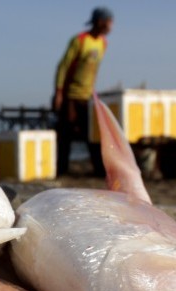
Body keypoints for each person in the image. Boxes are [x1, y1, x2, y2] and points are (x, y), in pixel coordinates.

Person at [53, 7, 113, 177]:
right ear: (100, 22)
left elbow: (94, 69)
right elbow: (63, 66)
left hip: (87, 96)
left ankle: (99, 170)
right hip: (70, 96)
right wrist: (58, 93)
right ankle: (61, 170)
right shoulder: (79, 40)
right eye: (109, 22)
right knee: (66, 134)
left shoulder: (103, 43)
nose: (111, 27)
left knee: (92, 135)